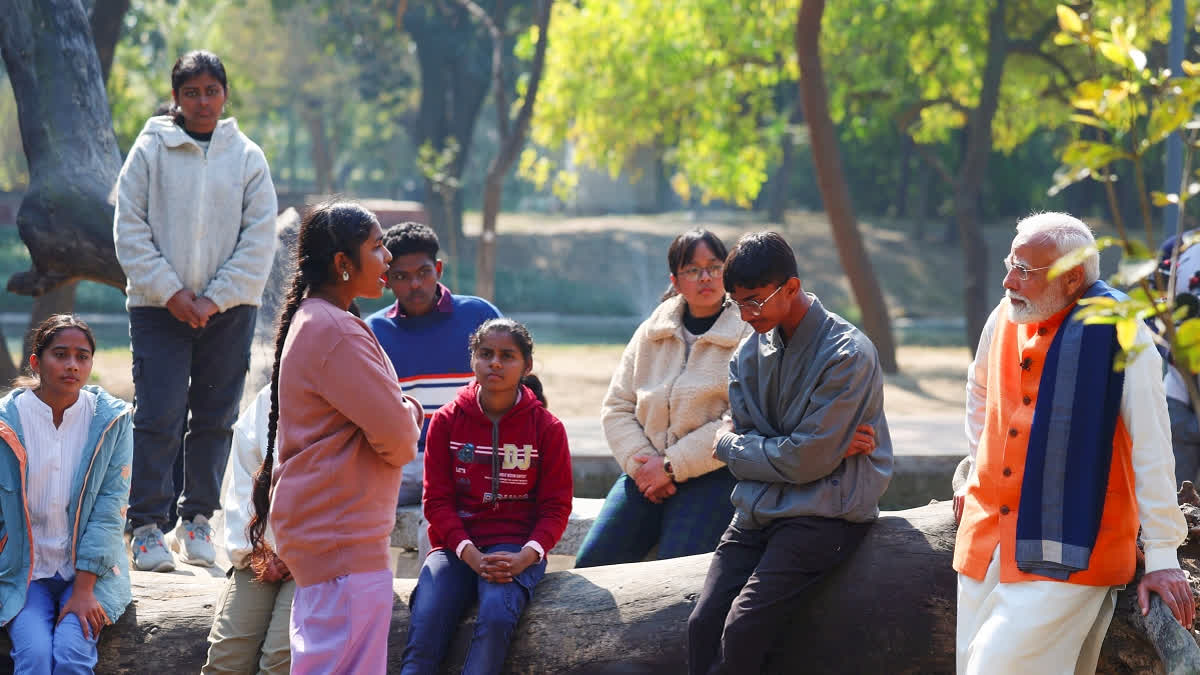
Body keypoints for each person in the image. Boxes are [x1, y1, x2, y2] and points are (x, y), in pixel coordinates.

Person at [952, 212, 1192, 675]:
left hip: (1073, 547)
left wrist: (1163, 555)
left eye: (1024, 271)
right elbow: (979, 390)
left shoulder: (1122, 329)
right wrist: (976, 466)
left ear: (1072, 277)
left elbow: (1152, 445)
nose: (1008, 280)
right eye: (1010, 263)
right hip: (985, 541)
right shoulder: (1003, 314)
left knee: (992, 669)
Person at [686, 232, 893, 674]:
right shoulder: (747, 354)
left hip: (824, 513)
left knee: (742, 629)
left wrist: (736, 445)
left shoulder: (847, 353)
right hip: (756, 510)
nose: (745, 315)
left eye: (755, 302)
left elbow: (805, 461)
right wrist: (805, 445)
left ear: (793, 288)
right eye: (737, 304)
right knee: (702, 623)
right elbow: (800, 453)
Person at [114, 49, 278, 572]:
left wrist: (214, 297)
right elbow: (129, 227)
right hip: (158, 308)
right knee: (159, 412)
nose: (202, 101)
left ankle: (197, 521)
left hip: (228, 310)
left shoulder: (247, 156)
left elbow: (259, 237)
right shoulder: (150, 149)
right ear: (176, 98)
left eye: (211, 91)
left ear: (225, 94)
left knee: (215, 416)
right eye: (191, 92)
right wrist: (173, 293)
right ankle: (145, 527)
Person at [247, 201, 423, 673]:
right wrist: (412, 411)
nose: (388, 257)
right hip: (342, 539)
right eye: (376, 246)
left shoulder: (319, 320)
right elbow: (401, 441)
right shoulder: (335, 330)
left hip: (332, 535)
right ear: (343, 264)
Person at [400, 318, 573, 675]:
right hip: (456, 548)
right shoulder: (447, 421)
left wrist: (528, 555)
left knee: (495, 617)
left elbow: (556, 507)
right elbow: (437, 502)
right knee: (427, 618)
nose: (495, 363)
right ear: (472, 360)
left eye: (507, 355)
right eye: (486, 354)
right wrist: (470, 553)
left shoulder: (548, 429)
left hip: (516, 548)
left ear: (526, 365)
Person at [573, 230, 751, 566]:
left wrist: (671, 466)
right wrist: (645, 466)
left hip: (712, 477)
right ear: (675, 279)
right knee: (592, 568)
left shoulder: (748, 330)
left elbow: (742, 419)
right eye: (693, 270)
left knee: (675, 572)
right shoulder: (652, 331)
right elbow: (617, 407)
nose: (706, 278)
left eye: (714, 267)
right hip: (645, 474)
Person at [0, 315, 133, 672]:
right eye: (60, 354)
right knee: (35, 657)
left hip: (91, 575)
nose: (72, 365)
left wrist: (85, 589)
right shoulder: (6, 423)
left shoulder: (111, 422)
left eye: (82, 356)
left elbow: (110, 507)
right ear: (35, 362)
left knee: (73, 655)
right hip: (23, 574)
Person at [366, 222, 502, 507]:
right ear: (386, 279)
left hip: (468, 456)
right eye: (401, 276)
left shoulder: (480, 316)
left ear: (438, 270)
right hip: (400, 463)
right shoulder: (374, 332)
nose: (415, 284)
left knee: (437, 515)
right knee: (350, 505)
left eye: (423, 273)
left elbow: (514, 389)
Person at [201, 384, 293, 674]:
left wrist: (299, 551)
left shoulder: (347, 392)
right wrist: (258, 553)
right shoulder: (268, 402)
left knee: (279, 659)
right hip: (262, 554)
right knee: (226, 657)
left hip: (320, 557)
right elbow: (244, 492)